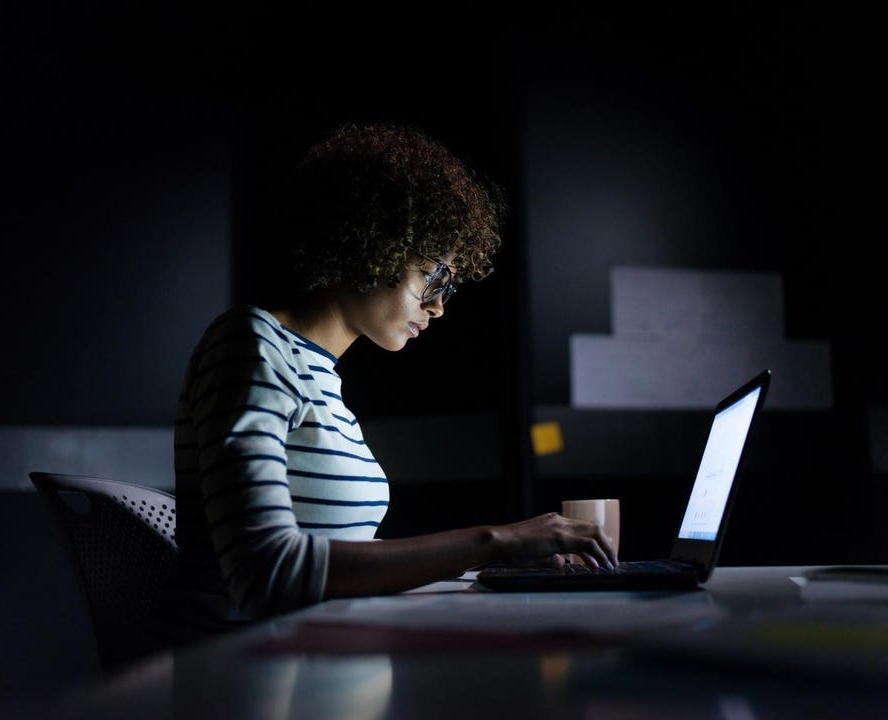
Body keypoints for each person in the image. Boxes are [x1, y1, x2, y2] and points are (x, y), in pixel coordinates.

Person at [165, 122, 618, 639]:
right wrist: (496, 540)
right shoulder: (251, 343)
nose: (439, 306)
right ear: (369, 244)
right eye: (432, 277)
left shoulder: (323, 383)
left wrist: (490, 569)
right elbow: (265, 572)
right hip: (242, 682)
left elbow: (340, 558)